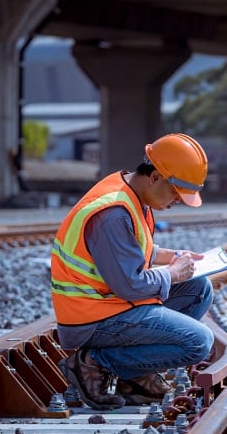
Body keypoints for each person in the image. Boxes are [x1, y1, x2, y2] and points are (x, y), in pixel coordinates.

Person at [50, 133, 215, 409]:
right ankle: (94, 364)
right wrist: (171, 273)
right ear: (155, 177)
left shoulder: (133, 195)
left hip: (110, 305)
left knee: (198, 290)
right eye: (176, 193)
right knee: (199, 343)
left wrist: (173, 257)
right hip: (93, 318)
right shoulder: (113, 214)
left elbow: (133, 251)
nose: (177, 201)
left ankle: (134, 374)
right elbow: (130, 285)